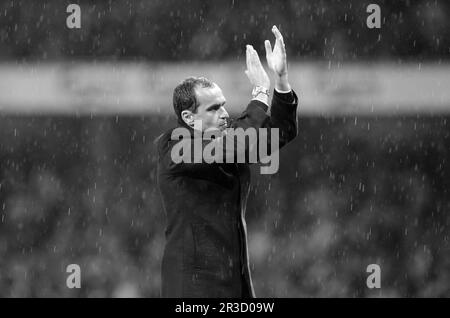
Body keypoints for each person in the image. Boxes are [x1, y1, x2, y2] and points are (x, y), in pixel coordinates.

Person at [156, 26, 298, 298]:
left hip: (237, 284)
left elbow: (281, 133)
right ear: (188, 118)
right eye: (213, 108)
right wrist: (259, 91)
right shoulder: (173, 146)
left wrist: (280, 80)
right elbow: (239, 141)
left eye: (222, 105)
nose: (224, 114)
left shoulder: (229, 139)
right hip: (194, 288)